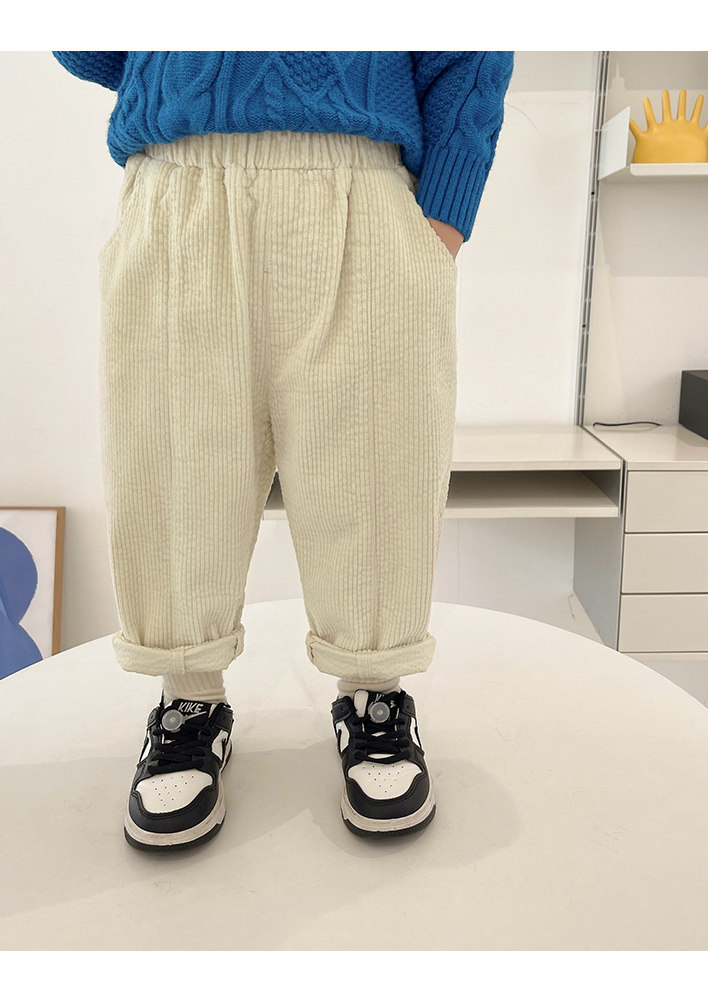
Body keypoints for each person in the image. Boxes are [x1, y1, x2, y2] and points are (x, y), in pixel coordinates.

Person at [52, 50, 515, 851]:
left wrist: (440, 215)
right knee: (173, 456)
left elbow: (473, 38)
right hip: (181, 183)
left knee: (375, 457)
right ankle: (188, 697)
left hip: (361, 179)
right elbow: (89, 44)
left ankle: (374, 692)